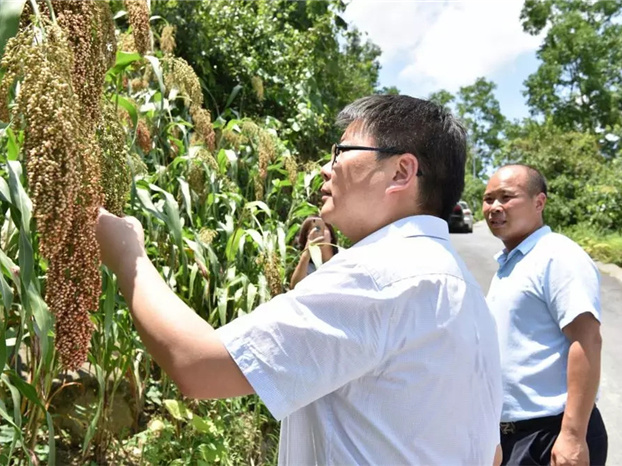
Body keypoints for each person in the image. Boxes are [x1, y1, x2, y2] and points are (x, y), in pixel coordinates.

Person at [96, 95, 502, 465]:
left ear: (401, 171)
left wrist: (129, 256)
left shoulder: (380, 273)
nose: (325, 167)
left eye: (341, 151)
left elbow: (198, 365)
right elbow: (493, 453)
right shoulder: (465, 292)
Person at [482, 164, 608, 466]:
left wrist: (573, 436)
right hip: (515, 435)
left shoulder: (558, 256)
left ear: (539, 202)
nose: (494, 207)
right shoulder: (512, 262)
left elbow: (587, 341)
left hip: (551, 435)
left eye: (506, 197)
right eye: (488, 199)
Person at [289, 215, 338, 289]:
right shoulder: (306, 267)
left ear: (331, 234)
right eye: (312, 231)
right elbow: (295, 288)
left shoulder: (344, 256)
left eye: (320, 228)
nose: (317, 233)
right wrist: (306, 254)